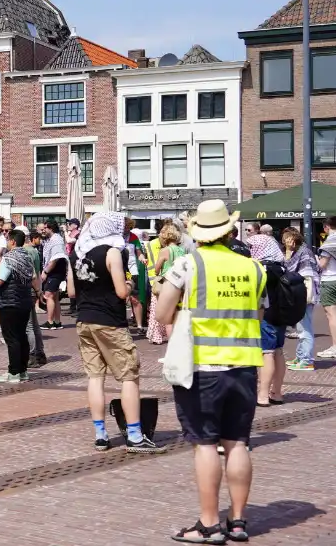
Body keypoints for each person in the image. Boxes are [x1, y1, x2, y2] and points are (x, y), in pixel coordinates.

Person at [153, 200, 264, 544]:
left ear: (198, 233)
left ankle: (210, 524)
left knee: (205, 445)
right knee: (237, 443)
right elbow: (257, 315)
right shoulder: (254, 268)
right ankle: (239, 521)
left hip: (202, 368)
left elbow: (161, 314)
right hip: (245, 366)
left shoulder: (189, 264)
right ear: (231, 232)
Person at [68, 212, 165, 455]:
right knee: (129, 376)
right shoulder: (112, 253)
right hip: (110, 321)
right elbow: (122, 292)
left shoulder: (77, 254)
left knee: (95, 377)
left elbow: (70, 291)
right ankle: (134, 434)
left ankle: (100, 434)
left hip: (84, 321)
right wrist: (131, 284)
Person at [0, 229, 39, 383]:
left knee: (11, 337)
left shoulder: (9, 258)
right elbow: (33, 278)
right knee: (21, 335)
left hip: (9, 302)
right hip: (25, 301)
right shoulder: (26, 257)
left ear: (12, 241)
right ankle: (23, 370)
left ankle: (13, 372)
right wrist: (38, 292)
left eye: (7, 240)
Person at [246, 234, 287, 407]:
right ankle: (277, 392)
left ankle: (262, 395)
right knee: (278, 351)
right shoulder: (282, 267)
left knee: (266, 353)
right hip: (282, 315)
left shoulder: (260, 269)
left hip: (266, 314)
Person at [283, 227, 319, 371]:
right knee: (301, 327)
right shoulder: (300, 252)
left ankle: (307, 360)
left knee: (305, 328)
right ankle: (300, 356)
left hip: (304, 294)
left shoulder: (303, 252)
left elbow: (289, 270)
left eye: (286, 240)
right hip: (302, 293)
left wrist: (287, 252)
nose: (285, 242)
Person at [147, 224, 186, 346]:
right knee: (175, 313)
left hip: (165, 283)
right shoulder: (182, 250)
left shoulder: (164, 251)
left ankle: (160, 337)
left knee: (159, 312)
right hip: (179, 283)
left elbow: (157, 269)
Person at [21, 231, 47, 368]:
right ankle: (40, 353)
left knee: (29, 325)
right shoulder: (35, 252)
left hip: (28, 288)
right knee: (35, 324)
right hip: (35, 287)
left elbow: (32, 274)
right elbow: (37, 272)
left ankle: (32, 356)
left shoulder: (24, 252)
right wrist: (39, 290)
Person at [39, 221, 68, 330]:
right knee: (55, 297)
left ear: (51, 228)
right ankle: (57, 322)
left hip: (55, 272)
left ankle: (50, 322)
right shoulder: (53, 239)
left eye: (45, 228)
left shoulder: (56, 240)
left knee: (49, 295)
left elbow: (55, 258)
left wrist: (46, 272)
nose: (43, 230)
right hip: (57, 272)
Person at [316, 216, 336, 360]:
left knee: (331, 314)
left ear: (326, 227)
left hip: (330, 280)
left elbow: (322, 265)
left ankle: (335, 347)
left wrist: (316, 259)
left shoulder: (330, 241)